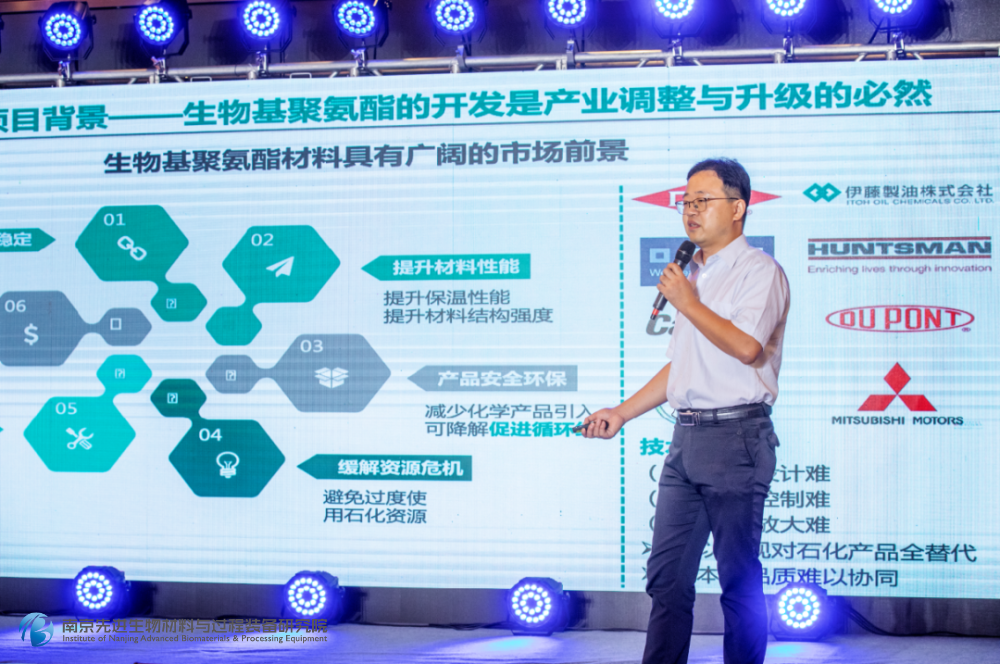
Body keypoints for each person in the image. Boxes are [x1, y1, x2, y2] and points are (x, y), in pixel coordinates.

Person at [581, 158, 790, 664]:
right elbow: (682, 367)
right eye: (686, 202)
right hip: (687, 439)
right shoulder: (696, 276)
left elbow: (746, 348)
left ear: (737, 208)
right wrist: (622, 413)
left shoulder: (759, 271)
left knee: (738, 578)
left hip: (737, 438)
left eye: (703, 201)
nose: (690, 211)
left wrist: (687, 302)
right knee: (667, 577)